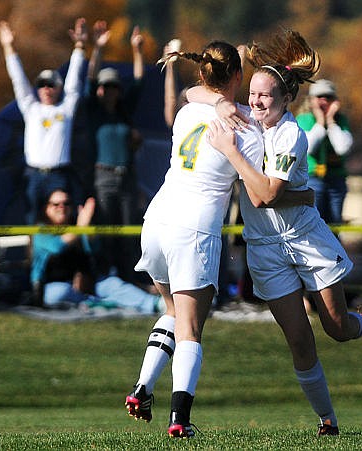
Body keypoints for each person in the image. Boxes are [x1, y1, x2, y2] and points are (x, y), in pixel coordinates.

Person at [201, 29, 362, 437]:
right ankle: (328, 422)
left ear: (285, 100)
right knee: (299, 340)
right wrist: (221, 99)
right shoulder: (247, 119)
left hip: (305, 241)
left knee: (337, 328)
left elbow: (264, 196)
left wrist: (232, 152)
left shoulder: (291, 134)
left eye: (265, 96)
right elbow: (194, 96)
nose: (255, 102)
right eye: (252, 94)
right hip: (264, 248)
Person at [124, 40, 312, 438]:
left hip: (155, 221)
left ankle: (142, 388)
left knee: (173, 312)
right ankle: (180, 419)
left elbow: (194, 94)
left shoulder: (188, 110)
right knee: (191, 328)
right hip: (194, 229)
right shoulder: (247, 125)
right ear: (239, 79)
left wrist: (219, 94)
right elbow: (264, 189)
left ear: (203, 75)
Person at [0, 18, 88, 224]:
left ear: (58, 87)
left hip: (59, 174)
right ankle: (33, 256)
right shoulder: (31, 108)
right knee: (31, 221)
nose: (47, 88)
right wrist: (8, 46)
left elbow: (74, 82)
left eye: (52, 84)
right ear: (37, 88)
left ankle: (64, 255)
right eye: (42, 84)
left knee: (63, 221)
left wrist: (80, 46)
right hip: (33, 175)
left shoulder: (65, 109)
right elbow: (18, 80)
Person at [82, 22, 145, 285]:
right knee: (106, 228)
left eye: (113, 87)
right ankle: (106, 276)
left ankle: (130, 276)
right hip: (103, 176)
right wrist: (97, 47)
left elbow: (140, 81)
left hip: (127, 175)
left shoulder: (124, 111)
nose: (108, 91)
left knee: (130, 228)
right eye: (105, 87)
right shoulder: (93, 112)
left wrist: (137, 50)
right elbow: (89, 78)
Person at [31, 188, 161, 314]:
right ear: (46, 208)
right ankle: (101, 303)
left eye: (66, 203)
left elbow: (93, 249)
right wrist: (80, 228)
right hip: (55, 286)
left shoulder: (77, 224)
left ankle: (156, 304)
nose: (62, 207)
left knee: (113, 284)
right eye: (56, 204)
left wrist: (87, 230)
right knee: (57, 294)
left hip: (88, 283)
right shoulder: (41, 229)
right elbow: (57, 246)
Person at [296, 79, 353, 225]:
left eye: (328, 97)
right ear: (311, 100)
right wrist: (320, 123)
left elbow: (342, 148)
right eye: (319, 97)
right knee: (313, 224)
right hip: (312, 179)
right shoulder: (303, 119)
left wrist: (331, 121)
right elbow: (307, 148)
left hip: (336, 180)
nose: (324, 101)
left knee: (334, 226)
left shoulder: (340, 121)